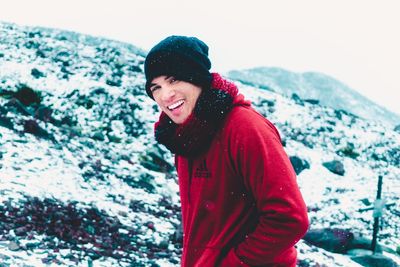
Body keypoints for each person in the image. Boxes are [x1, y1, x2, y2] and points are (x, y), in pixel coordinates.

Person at [144, 35, 309, 267]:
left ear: (198, 79)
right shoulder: (184, 138)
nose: (165, 95)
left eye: (174, 80)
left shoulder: (244, 127)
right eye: (156, 87)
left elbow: (289, 218)